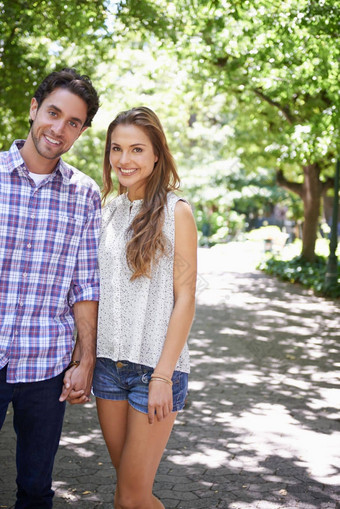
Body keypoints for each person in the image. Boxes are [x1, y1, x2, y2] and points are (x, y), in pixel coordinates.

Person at [0, 68, 101, 508]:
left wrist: (86, 359)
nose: (59, 129)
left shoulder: (85, 194)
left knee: (36, 489)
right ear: (33, 109)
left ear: (81, 131)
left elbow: (85, 283)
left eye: (73, 122)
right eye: (53, 113)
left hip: (46, 365)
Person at [92, 106, 197, 509]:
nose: (124, 160)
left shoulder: (177, 211)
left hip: (155, 372)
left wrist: (163, 377)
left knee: (129, 497)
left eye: (137, 149)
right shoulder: (108, 212)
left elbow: (185, 298)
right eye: (116, 149)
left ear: (157, 155)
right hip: (108, 369)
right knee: (130, 494)